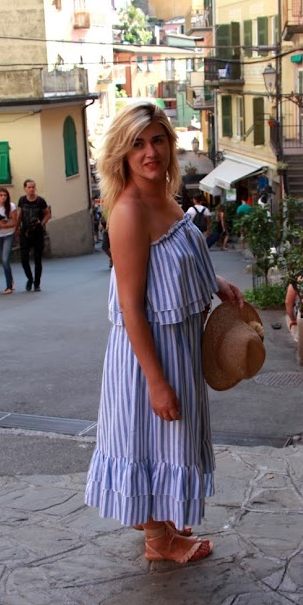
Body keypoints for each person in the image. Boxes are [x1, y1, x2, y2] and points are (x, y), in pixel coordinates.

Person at [84, 101, 244, 564]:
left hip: (178, 346)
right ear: (123, 153)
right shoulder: (129, 211)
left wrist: (214, 282)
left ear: (171, 145)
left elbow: (172, 263)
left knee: (167, 440)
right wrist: (155, 381)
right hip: (149, 353)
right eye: (137, 144)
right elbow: (132, 306)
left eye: (157, 140)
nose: (149, 152)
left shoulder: (165, 196)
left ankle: (161, 520)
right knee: (148, 439)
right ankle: (158, 539)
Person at [16, 179, 52, 292]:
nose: (32, 189)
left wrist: (41, 223)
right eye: (29, 187)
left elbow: (47, 214)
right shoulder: (22, 200)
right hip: (25, 232)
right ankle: (30, 279)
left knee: (37, 259)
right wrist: (16, 228)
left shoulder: (40, 201)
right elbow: (19, 215)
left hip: (37, 232)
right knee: (24, 259)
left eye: (33, 187)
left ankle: (37, 283)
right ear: (25, 188)